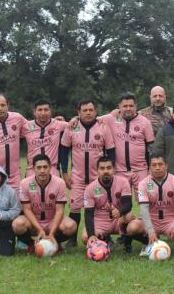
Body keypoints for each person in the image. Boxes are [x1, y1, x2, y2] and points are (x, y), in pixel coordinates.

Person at [59, 99, 115, 247]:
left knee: (103, 207)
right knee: (75, 207)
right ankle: (72, 239)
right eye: (85, 110)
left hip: (99, 178)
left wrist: (110, 172)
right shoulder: (72, 127)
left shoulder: (103, 127)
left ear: (95, 111)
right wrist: (64, 172)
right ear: (79, 113)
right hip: (77, 177)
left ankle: (107, 236)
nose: (88, 113)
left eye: (91, 110)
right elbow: (64, 151)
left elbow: (111, 151)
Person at [12, 154, 77, 252]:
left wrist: (51, 232)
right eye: (39, 167)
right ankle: (32, 245)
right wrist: (39, 229)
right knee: (17, 224)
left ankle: (54, 242)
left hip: (52, 221)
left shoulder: (60, 183)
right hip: (34, 222)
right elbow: (27, 209)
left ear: (50, 168)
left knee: (71, 226)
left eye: (45, 167)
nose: (42, 170)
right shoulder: (25, 183)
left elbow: (60, 211)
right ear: (33, 169)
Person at [127, 154, 174, 256]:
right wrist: (150, 230)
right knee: (132, 228)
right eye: (154, 165)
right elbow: (143, 208)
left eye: (160, 164)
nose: (157, 168)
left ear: (166, 166)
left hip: (170, 220)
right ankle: (148, 243)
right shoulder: (143, 183)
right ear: (149, 167)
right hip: (152, 220)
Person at [101, 92, 155, 194]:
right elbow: (91, 119)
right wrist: (76, 118)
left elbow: (151, 148)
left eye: (131, 105)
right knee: (121, 204)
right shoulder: (111, 119)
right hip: (119, 171)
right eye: (125, 106)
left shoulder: (145, 122)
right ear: (119, 107)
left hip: (140, 170)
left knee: (145, 202)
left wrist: (150, 169)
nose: (128, 108)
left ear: (136, 106)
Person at [82, 157, 135, 253]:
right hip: (100, 222)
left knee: (129, 216)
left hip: (118, 220)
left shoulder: (123, 182)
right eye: (102, 168)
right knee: (85, 237)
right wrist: (91, 235)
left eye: (109, 168)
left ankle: (127, 245)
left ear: (114, 169)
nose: (106, 171)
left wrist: (120, 211)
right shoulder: (90, 188)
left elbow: (128, 203)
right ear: (97, 170)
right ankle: (104, 242)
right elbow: (88, 214)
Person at [22, 99, 68, 177]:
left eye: (46, 110)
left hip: (52, 169)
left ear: (50, 111)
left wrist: (76, 118)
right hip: (32, 170)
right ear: (34, 112)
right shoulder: (26, 127)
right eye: (40, 110)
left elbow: (78, 124)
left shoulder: (60, 125)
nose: (43, 113)